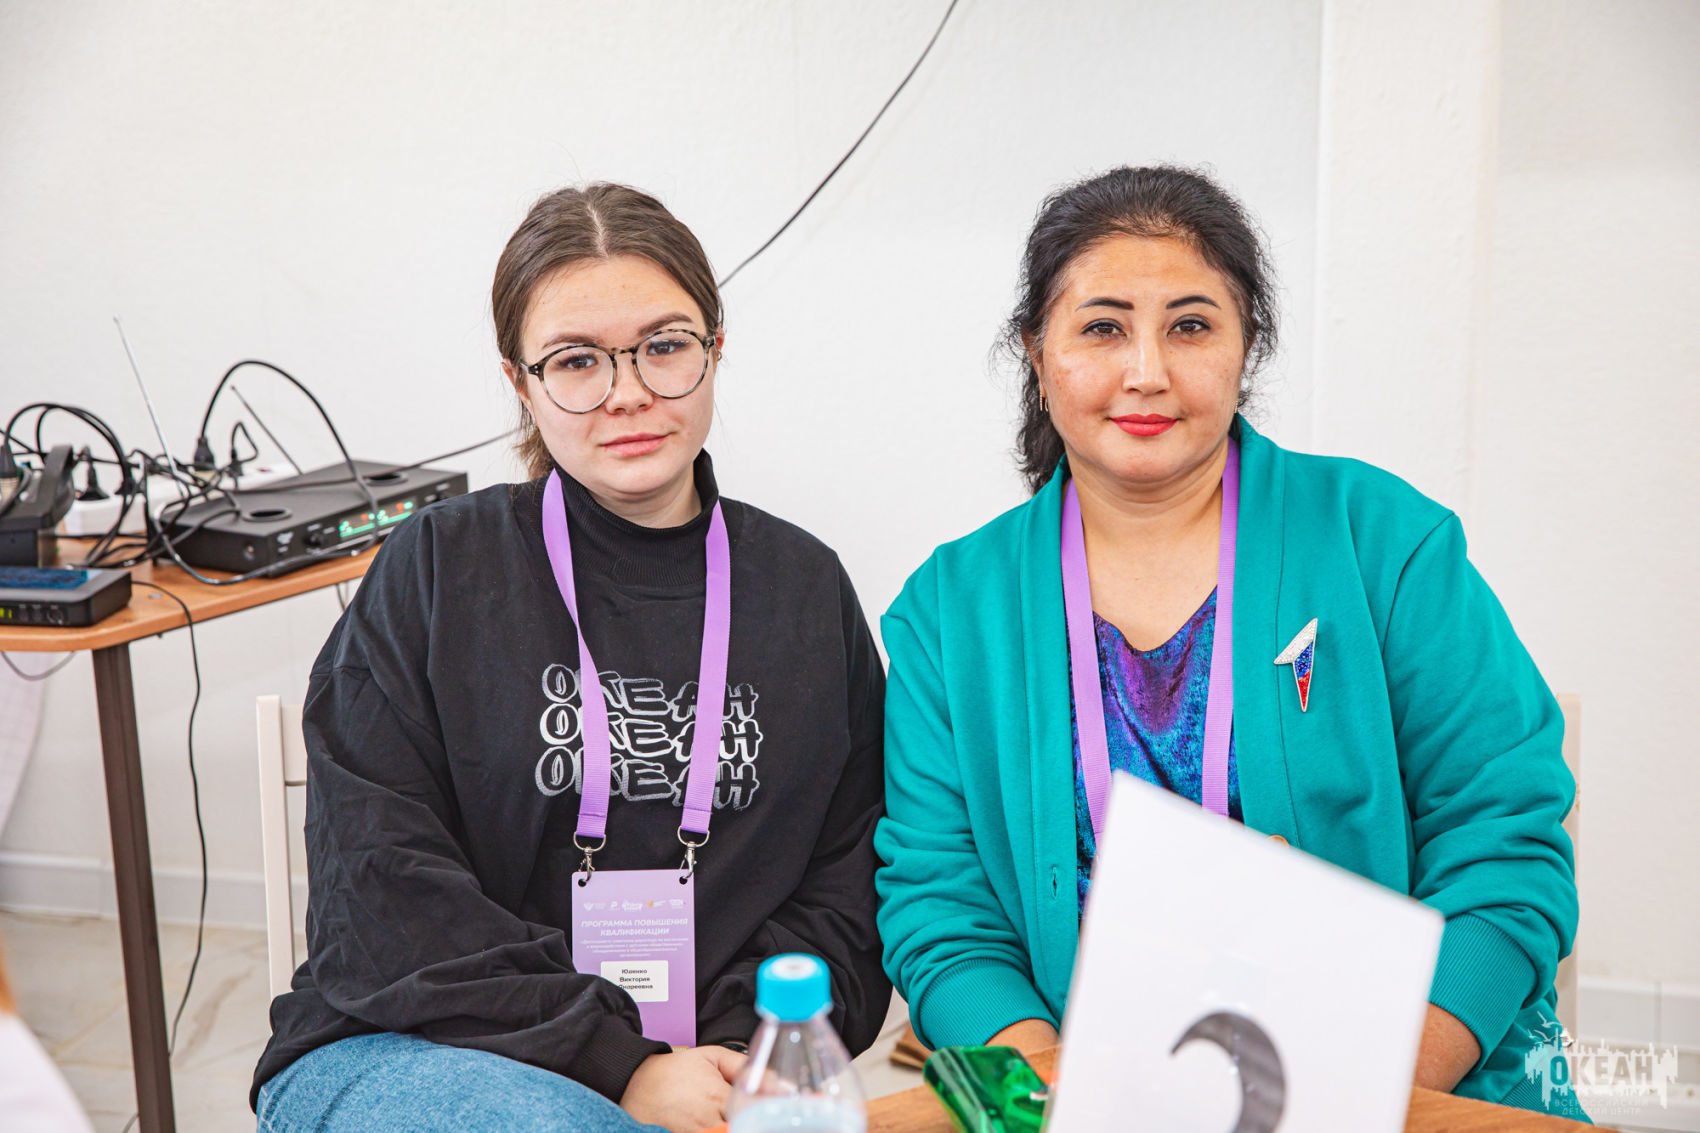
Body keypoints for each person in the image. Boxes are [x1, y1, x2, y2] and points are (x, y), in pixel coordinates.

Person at [875, 165, 1583, 1118]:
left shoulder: (1384, 543)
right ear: (1037, 355)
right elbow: (940, 907)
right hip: (1087, 1096)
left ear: (1248, 348)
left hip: (1403, 1088)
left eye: (1191, 326)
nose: (1147, 371)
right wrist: (1050, 1083)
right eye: (1102, 328)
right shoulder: (950, 612)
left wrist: (1356, 1092)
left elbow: (1506, 845)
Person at [253, 183, 889, 1133]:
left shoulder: (803, 587)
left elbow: (849, 882)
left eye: (664, 346)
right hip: (415, 1045)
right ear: (522, 384)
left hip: (711, 1068)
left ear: (716, 350)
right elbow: (381, 886)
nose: (627, 391)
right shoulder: (437, 567)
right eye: (577, 360)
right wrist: (615, 1063)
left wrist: (727, 1061)